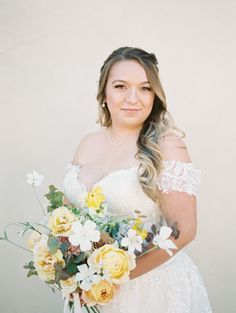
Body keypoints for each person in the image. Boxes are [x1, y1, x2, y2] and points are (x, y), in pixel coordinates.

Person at [62, 46, 212, 313]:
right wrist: (66, 266)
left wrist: (112, 280)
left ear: (155, 95)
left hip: (150, 291)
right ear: (104, 93)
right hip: (88, 290)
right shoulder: (87, 144)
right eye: (121, 86)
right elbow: (67, 216)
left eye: (145, 88)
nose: (134, 98)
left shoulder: (166, 147)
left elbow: (184, 231)